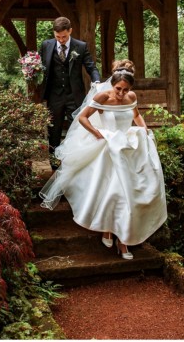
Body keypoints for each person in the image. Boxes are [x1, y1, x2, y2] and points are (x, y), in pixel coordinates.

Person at [39, 66, 167, 260]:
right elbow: (82, 117)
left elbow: (136, 115)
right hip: (108, 145)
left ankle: (123, 240)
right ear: (112, 85)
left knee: (132, 192)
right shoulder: (102, 98)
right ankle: (109, 231)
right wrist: (97, 133)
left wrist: (145, 130)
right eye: (118, 89)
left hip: (128, 144)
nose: (122, 93)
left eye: (125, 89)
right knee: (114, 191)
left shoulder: (131, 98)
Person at [39, 17, 101, 169]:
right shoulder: (46, 45)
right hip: (54, 96)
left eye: (64, 36)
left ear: (70, 31)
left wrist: (97, 81)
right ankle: (54, 165)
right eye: (57, 36)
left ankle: (73, 164)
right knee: (54, 130)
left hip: (74, 95)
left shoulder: (80, 46)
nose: (60, 40)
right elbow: (40, 66)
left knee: (75, 130)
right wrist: (30, 71)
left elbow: (91, 67)